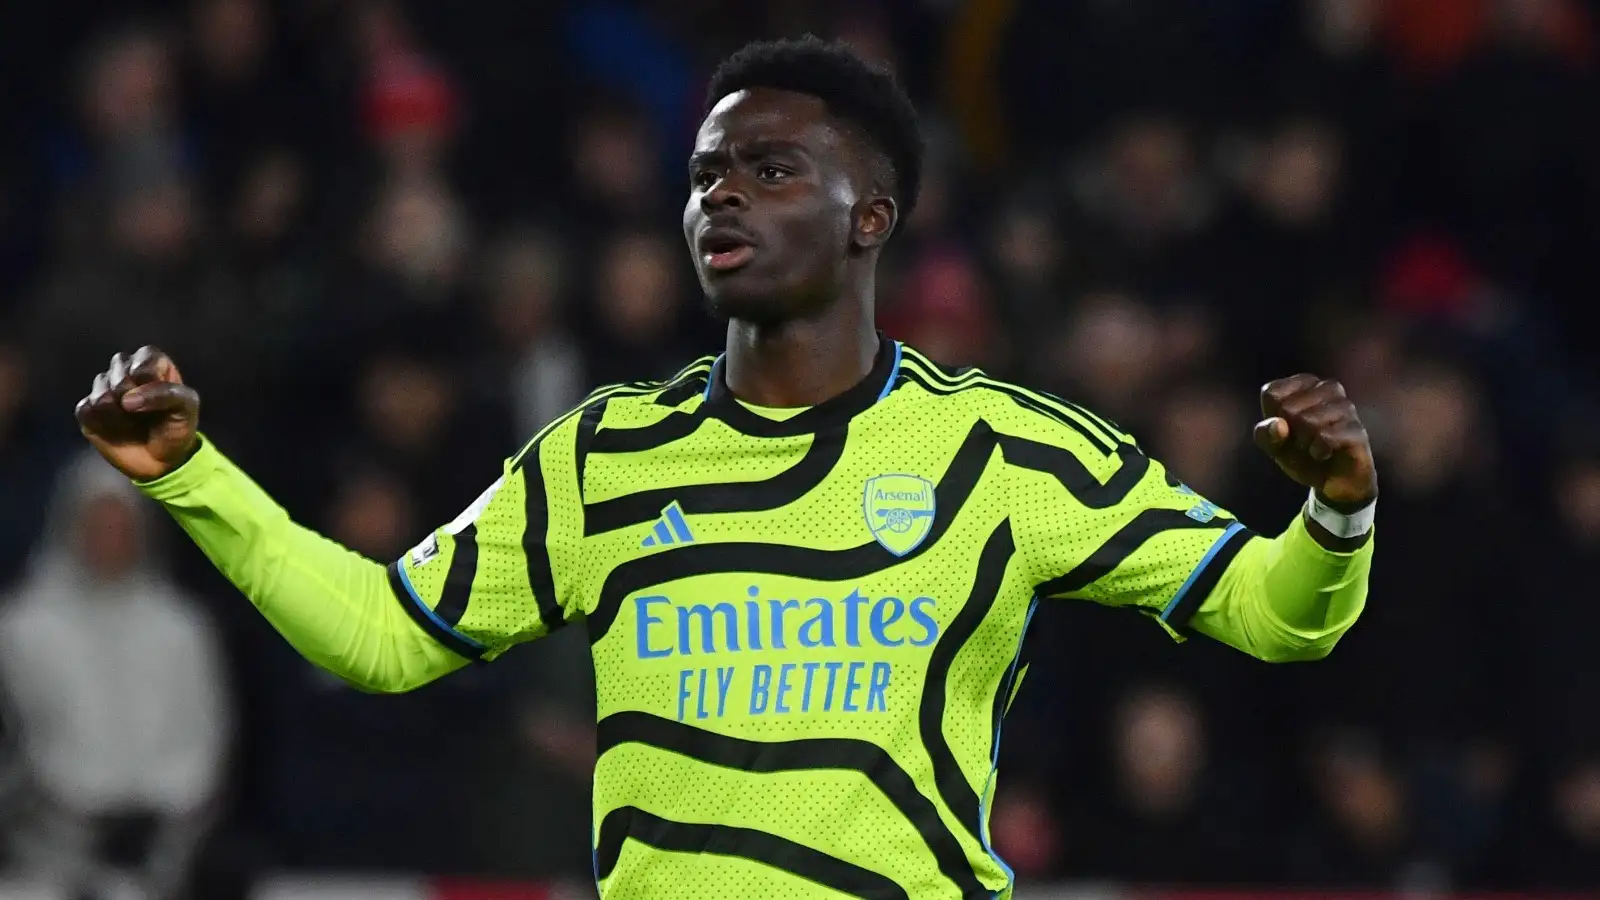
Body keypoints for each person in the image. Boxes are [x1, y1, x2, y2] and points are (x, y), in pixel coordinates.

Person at [72, 36, 1377, 900]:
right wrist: (192, 476)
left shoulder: (1005, 448)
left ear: (872, 217)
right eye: (703, 175)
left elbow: (1273, 614)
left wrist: (1333, 514)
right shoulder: (605, 454)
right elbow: (381, 632)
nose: (721, 198)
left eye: (769, 167)